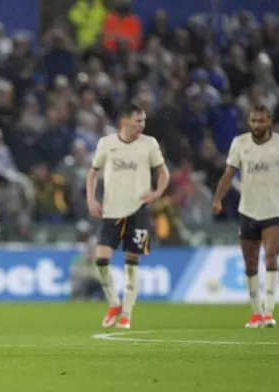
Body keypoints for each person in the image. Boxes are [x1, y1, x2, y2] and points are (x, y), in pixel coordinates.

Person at [212, 105, 279, 328]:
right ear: (249, 122)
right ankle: (256, 313)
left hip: (274, 212)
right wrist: (218, 198)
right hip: (248, 211)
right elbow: (229, 174)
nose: (257, 125)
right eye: (253, 121)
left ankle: (268, 311)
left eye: (261, 121)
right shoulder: (240, 143)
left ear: (269, 122)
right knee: (250, 263)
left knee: (271, 257)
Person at [86, 104, 170, 329]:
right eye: (138, 120)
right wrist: (91, 199)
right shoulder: (107, 144)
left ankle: (126, 315)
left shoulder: (149, 144)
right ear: (124, 121)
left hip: (138, 211)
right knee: (101, 259)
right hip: (111, 210)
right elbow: (93, 173)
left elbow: (163, 172)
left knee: (132, 263)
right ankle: (114, 302)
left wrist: (157, 193)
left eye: (143, 121)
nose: (142, 125)